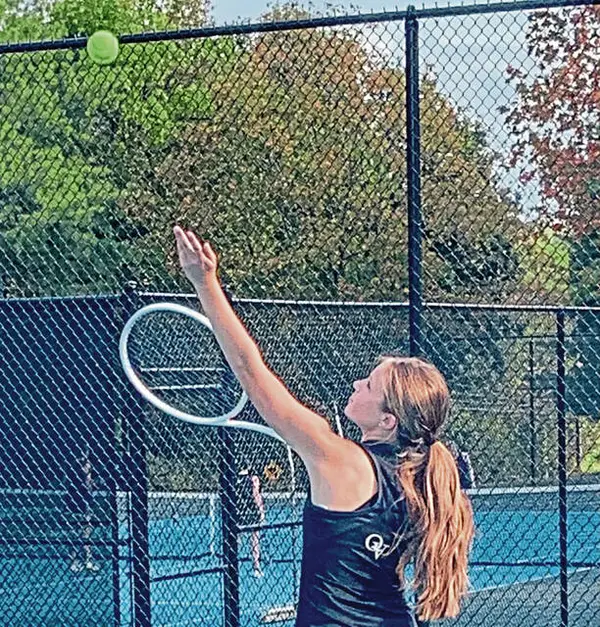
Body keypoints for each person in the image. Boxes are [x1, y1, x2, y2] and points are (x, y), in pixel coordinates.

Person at [174, 226, 474, 626]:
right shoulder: (421, 475)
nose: (358, 384)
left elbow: (249, 369)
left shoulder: (339, 459)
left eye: (370, 386)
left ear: (388, 420)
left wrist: (205, 283)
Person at [236, 462, 266, 578]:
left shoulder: (235, 479)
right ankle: (256, 567)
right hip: (251, 511)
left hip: (239, 510)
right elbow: (256, 494)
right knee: (255, 539)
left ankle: (232, 561)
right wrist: (261, 511)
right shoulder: (253, 479)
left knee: (237, 536)